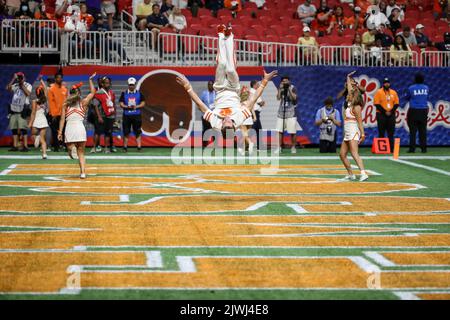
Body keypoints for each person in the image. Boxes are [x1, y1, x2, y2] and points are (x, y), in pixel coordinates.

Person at [176, 25, 278, 141]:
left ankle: (220, 34)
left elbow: (200, 105)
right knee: (230, 69)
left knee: (222, 64)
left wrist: (188, 88)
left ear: (221, 127)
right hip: (234, 88)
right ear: (234, 127)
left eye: (225, 123)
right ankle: (229, 36)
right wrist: (264, 82)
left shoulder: (215, 123)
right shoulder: (239, 119)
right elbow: (252, 100)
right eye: (229, 122)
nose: (227, 119)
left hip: (219, 88)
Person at [58, 73, 97, 179]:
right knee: (81, 153)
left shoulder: (65, 104)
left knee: (70, 152)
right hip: (80, 128)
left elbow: (62, 119)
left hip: (69, 128)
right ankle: (83, 173)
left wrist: (60, 132)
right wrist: (90, 80)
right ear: (79, 93)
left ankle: (71, 149)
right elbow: (93, 92)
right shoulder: (83, 103)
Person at [338, 71, 368, 182]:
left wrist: (363, 134)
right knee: (342, 155)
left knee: (354, 153)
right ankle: (351, 174)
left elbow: (360, 122)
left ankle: (363, 173)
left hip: (354, 130)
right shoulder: (349, 104)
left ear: (353, 96)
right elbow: (350, 88)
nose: (347, 96)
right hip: (347, 131)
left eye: (349, 95)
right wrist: (348, 77)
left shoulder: (356, 107)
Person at [6, 72, 32, 152]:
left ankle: (25, 146)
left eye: (21, 77)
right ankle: (15, 146)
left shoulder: (28, 85)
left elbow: (28, 93)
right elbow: (8, 88)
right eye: (19, 77)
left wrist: (22, 84)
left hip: (23, 108)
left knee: (23, 128)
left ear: (24, 77)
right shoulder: (15, 84)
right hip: (14, 108)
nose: (20, 78)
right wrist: (13, 79)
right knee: (14, 128)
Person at [119, 77, 146, 152]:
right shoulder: (124, 93)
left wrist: (136, 106)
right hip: (126, 116)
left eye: (133, 85)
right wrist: (126, 106)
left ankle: (139, 147)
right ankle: (125, 147)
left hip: (136, 115)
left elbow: (143, 103)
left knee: (138, 131)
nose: (131, 86)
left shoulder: (139, 93)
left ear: (135, 85)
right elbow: (121, 104)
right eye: (130, 85)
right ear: (128, 85)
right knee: (126, 132)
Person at [405, 73, 429, 153]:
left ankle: (412, 148)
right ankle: (423, 148)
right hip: (423, 111)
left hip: (414, 110)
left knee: (413, 131)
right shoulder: (426, 88)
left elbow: (407, 97)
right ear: (423, 80)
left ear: (415, 79)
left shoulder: (411, 88)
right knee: (423, 130)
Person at [93, 76, 117, 153]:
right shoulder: (98, 93)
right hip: (102, 116)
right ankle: (94, 148)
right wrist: (99, 116)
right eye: (106, 83)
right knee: (98, 132)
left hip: (110, 115)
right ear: (102, 84)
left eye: (109, 83)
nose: (108, 84)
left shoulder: (112, 93)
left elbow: (113, 104)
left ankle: (106, 148)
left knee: (108, 132)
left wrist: (114, 115)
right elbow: (95, 105)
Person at [374, 77, 399, 152]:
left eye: (388, 82)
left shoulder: (393, 92)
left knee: (391, 133)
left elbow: (396, 104)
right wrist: (385, 112)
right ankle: (382, 149)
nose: (387, 84)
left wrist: (390, 112)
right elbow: (377, 104)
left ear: (390, 83)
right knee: (381, 132)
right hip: (381, 114)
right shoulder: (379, 92)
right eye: (385, 83)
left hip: (391, 115)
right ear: (383, 84)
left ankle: (391, 149)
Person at [276, 75, 298, 154]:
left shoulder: (293, 88)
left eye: (286, 81)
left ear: (289, 81)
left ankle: (293, 147)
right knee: (279, 131)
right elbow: (278, 98)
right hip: (281, 112)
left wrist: (288, 89)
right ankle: (279, 147)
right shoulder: (281, 88)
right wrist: (279, 89)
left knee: (292, 132)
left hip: (291, 113)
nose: (285, 82)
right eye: (283, 81)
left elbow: (294, 98)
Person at [28, 77, 50, 159]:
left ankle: (37, 138)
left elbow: (33, 113)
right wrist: (41, 80)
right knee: (42, 138)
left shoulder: (34, 101)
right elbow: (45, 89)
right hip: (43, 120)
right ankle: (44, 154)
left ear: (36, 93)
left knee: (33, 135)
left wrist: (30, 123)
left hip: (36, 120)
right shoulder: (45, 99)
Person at [48, 72, 68, 152]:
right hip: (55, 114)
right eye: (58, 78)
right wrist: (53, 114)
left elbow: (66, 101)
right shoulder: (51, 89)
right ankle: (56, 147)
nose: (60, 79)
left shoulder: (64, 89)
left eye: (61, 78)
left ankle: (66, 146)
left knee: (65, 130)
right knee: (55, 131)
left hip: (64, 114)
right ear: (55, 79)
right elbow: (51, 102)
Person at [238, 86, 256, 155]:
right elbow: (252, 109)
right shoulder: (249, 102)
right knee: (246, 135)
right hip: (249, 119)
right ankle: (244, 150)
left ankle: (250, 143)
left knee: (244, 135)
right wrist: (254, 117)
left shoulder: (240, 103)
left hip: (244, 119)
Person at [250, 79, 265, 151]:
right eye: (257, 84)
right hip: (255, 113)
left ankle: (259, 147)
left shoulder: (251, 91)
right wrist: (263, 102)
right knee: (253, 130)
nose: (258, 85)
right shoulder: (255, 92)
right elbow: (261, 103)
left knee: (258, 130)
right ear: (254, 85)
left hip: (254, 113)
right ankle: (245, 145)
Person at [200, 80, 216, 147]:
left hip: (215, 116)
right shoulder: (204, 93)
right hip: (206, 116)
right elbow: (199, 104)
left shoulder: (217, 94)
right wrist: (203, 111)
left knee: (215, 131)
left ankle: (215, 145)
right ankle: (204, 146)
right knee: (205, 131)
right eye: (209, 84)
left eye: (211, 84)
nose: (210, 86)